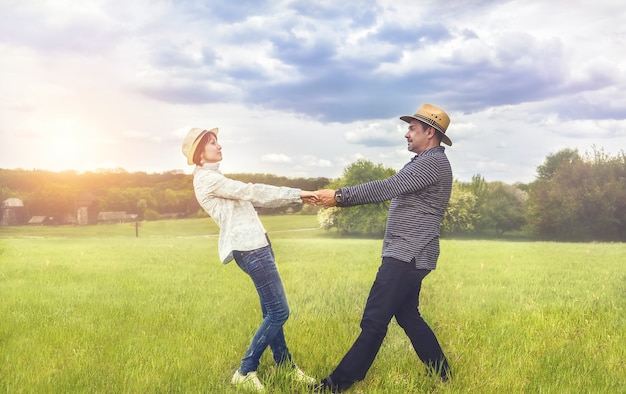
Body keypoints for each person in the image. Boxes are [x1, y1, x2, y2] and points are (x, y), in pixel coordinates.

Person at [313, 103, 454, 392]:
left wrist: (340, 196)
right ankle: (443, 375)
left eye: (412, 128)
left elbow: (386, 187)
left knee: (374, 320)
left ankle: (335, 385)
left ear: (430, 132)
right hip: (413, 253)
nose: (406, 134)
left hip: (407, 253)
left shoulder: (432, 163)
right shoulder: (427, 162)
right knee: (408, 315)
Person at [181, 127, 317, 392]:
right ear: (199, 156)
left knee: (271, 310)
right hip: (251, 249)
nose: (219, 146)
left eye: (217, 141)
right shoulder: (208, 180)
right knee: (280, 312)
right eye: (211, 143)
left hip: (258, 244)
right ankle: (245, 370)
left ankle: (285, 367)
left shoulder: (213, 177)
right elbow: (253, 192)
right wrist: (299, 194)